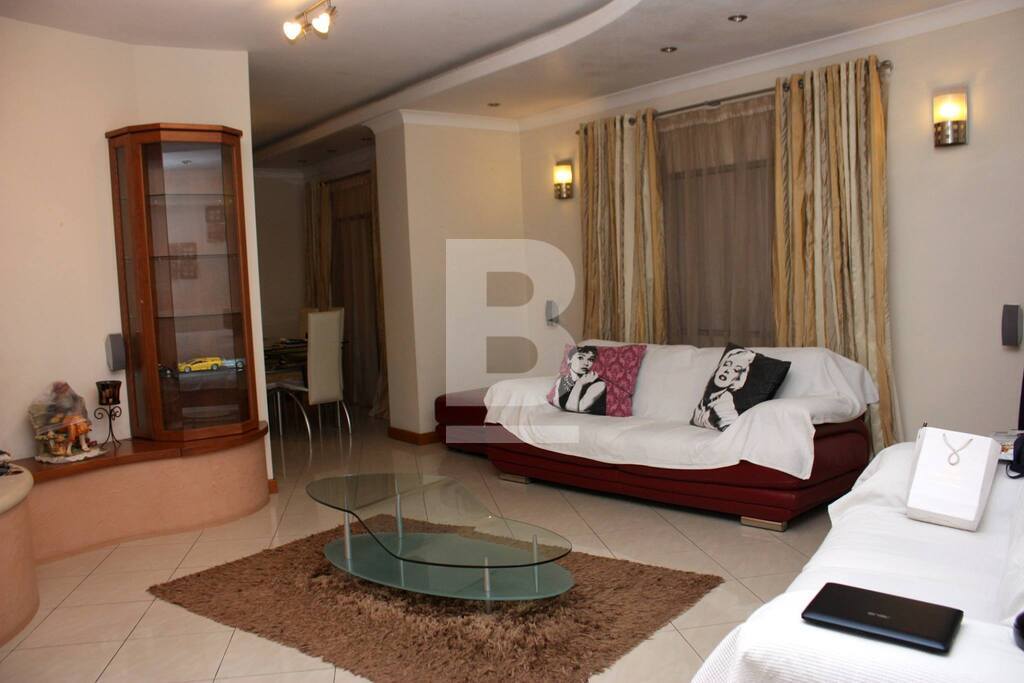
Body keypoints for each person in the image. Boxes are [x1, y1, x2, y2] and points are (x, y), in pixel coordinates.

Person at [692, 347, 756, 430]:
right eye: (727, 364)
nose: (727, 370)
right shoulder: (708, 396)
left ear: (737, 379)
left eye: (736, 370)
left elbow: (730, 427)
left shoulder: (725, 401)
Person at [551, 346, 607, 415]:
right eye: (580, 358)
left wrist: (579, 383)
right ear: (569, 360)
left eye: (590, 359)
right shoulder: (562, 381)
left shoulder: (599, 384)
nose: (586, 363)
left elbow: (573, 408)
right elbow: (556, 403)